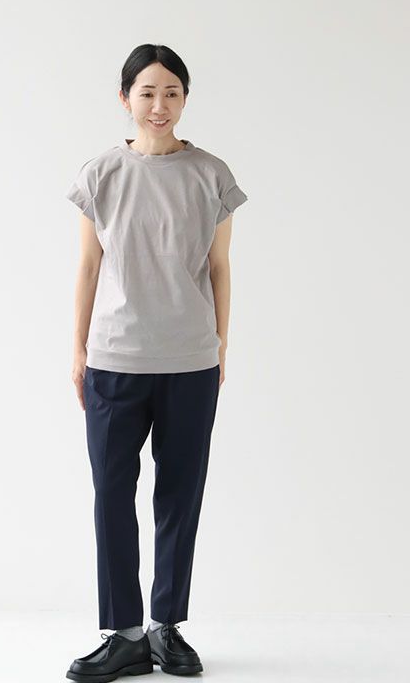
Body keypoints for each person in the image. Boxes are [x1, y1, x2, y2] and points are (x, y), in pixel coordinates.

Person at [65, 43, 248, 682]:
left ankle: (167, 627)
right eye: (146, 92)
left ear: (185, 98)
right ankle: (124, 634)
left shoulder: (211, 174)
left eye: (171, 92)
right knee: (112, 495)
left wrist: (220, 346)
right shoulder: (101, 174)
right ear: (125, 99)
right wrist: (77, 349)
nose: (159, 105)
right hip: (115, 358)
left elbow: (220, 267)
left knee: (179, 494)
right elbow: (88, 267)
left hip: (190, 362)